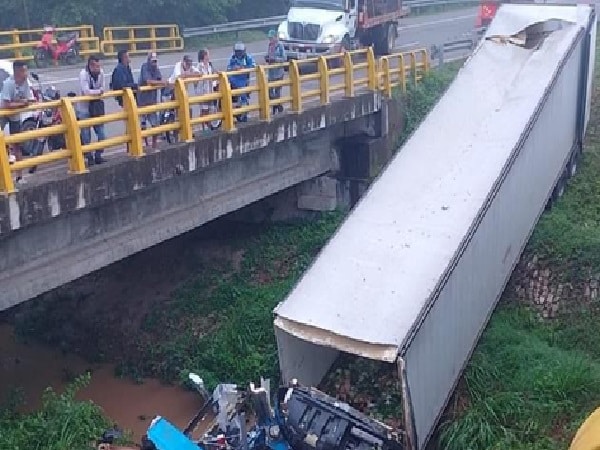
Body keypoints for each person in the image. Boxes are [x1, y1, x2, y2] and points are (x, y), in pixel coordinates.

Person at [1, 60, 36, 183]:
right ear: (17, 72)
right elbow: (6, 104)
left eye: (26, 70)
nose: (25, 73)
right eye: (23, 71)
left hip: (15, 114)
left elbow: (28, 99)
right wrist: (21, 103)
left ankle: (19, 176)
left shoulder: (25, 82)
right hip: (3, 114)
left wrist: (24, 103)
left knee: (17, 145)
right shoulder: (8, 84)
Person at [78, 55, 106, 166]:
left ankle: (98, 154)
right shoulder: (83, 74)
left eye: (99, 66)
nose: (98, 69)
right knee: (86, 135)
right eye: (95, 67)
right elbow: (86, 91)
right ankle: (89, 156)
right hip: (84, 108)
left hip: (97, 107)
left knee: (102, 134)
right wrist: (98, 92)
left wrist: (97, 92)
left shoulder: (101, 73)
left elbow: (103, 88)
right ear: (90, 66)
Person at [138, 52, 166, 150]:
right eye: (153, 61)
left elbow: (160, 79)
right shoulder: (144, 67)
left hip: (152, 101)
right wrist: (160, 82)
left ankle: (154, 145)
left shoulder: (156, 69)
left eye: (155, 61)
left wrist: (164, 83)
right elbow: (148, 81)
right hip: (142, 100)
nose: (154, 64)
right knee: (142, 124)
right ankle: (144, 144)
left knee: (155, 124)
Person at [265, 29, 286, 115]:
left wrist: (276, 59)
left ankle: (276, 108)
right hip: (271, 72)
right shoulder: (270, 45)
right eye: (269, 38)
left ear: (275, 37)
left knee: (277, 91)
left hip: (278, 72)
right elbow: (269, 55)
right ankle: (278, 105)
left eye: (271, 38)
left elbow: (284, 58)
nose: (270, 40)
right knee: (269, 91)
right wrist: (267, 58)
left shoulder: (280, 45)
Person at [196, 48, 215, 131]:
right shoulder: (199, 66)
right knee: (204, 109)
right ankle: (204, 127)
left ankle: (208, 125)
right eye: (207, 54)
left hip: (209, 89)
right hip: (202, 91)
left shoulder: (209, 65)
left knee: (209, 109)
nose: (209, 56)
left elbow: (212, 73)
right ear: (204, 56)